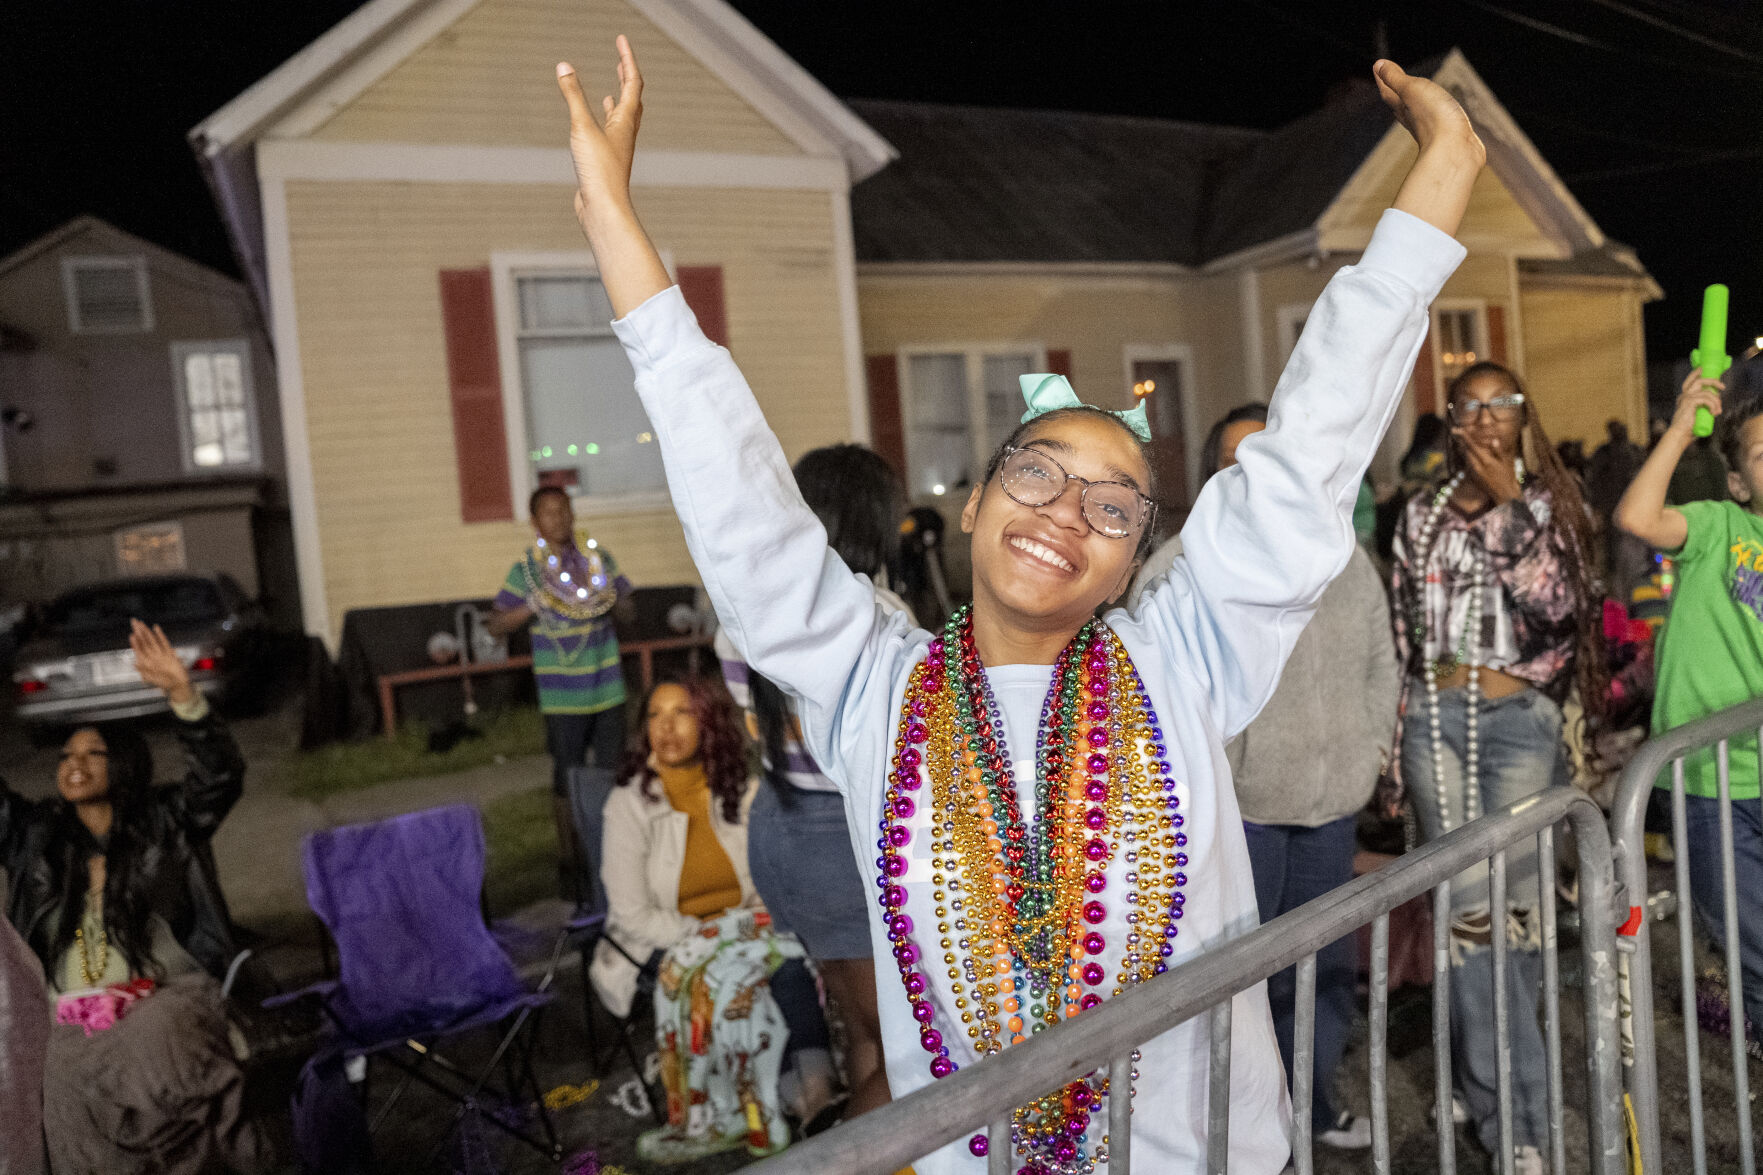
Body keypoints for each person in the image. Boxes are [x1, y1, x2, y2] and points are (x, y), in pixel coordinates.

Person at [555, 40, 1481, 1173]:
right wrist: (609, 214)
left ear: (1139, 555)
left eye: (1113, 503)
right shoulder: (872, 685)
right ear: (981, 496)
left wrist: (1438, 179)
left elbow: (1310, 447)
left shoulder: (1181, 656)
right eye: (1036, 473)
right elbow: (741, 503)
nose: (1064, 511)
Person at [1130, 405, 1400, 1152]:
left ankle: (1308, 1109)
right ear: (1216, 475)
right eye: (1233, 461)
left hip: (1328, 810)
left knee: (1319, 973)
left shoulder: (1338, 554)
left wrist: (1365, 751)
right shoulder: (1179, 565)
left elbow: (1381, 658)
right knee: (1232, 987)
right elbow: (1157, 706)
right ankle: (1230, 1136)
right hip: (1238, 816)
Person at [1391, 361, 1607, 1175]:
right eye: (1468, 406)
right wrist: (1397, 735)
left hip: (1518, 724)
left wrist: (1510, 506)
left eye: (1500, 404)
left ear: (1524, 416)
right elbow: (1407, 632)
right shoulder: (1420, 512)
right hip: (1435, 723)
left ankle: (1508, 1092)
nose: (1484, 419)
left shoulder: (1553, 505)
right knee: (1466, 917)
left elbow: (1560, 609)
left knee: (1511, 921)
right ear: (1449, 419)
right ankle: (1507, 1110)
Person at [0, 621, 266, 1174]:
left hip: (166, 997)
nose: (72, 765)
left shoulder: (165, 822)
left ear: (123, 764)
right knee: (59, 1083)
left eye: (92, 754)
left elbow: (219, 777)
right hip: (66, 1017)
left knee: (156, 1043)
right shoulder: (36, 837)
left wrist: (182, 694)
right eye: (66, 756)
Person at [715, 443, 908, 1124]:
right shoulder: (873, 616)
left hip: (778, 825)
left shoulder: (746, 611)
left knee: (862, 1032)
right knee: (900, 1054)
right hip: (839, 839)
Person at [590, 678, 832, 1161]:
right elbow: (630, 915)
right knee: (735, 979)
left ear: (708, 723)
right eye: (655, 715)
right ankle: (788, 1098)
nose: (666, 727)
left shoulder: (742, 794)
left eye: (681, 713)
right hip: (662, 943)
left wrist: (747, 925)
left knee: (785, 965)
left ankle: (818, 1094)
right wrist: (710, 936)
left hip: (744, 930)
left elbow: (769, 879)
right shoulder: (628, 806)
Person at [1615, 370, 1763, 1040]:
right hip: (1710, 781)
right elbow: (1635, 518)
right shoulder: (1718, 526)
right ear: (1738, 482)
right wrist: (1680, 426)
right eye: (1761, 454)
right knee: (1749, 944)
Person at [488, 484, 634, 902]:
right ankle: (572, 864)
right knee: (567, 779)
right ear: (536, 522)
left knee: (612, 774)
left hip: (607, 687)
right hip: (562, 694)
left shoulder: (597, 559)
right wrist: (532, 606)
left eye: (564, 510)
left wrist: (611, 601)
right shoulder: (528, 571)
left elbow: (630, 608)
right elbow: (496, 624)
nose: (559, 519)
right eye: (549, 513)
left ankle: (615, 853)